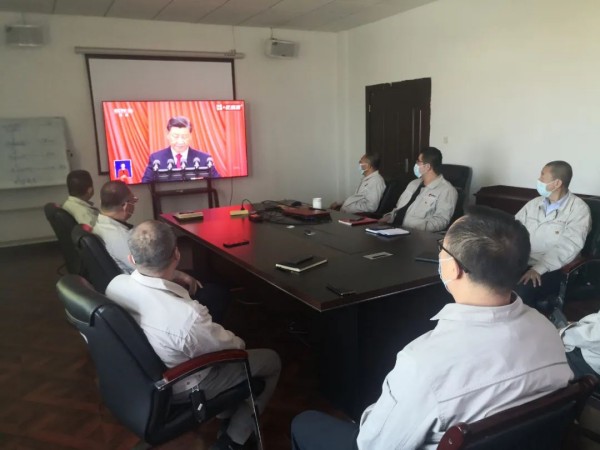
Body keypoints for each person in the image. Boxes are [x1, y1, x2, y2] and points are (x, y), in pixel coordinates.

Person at [291, 206, 573, 450]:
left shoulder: (423, 363)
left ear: (454, 268)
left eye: (442, 248)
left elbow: (374, 445)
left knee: (304, 423)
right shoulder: (547, 330)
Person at [106, 220, 281, 450]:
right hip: (183, 385)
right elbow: (233, 349)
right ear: (177, 255)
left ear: (131, 259)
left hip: (138, 380)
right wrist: (239, 344)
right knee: (270, 360)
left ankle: (226, 411)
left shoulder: (115, 286)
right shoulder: (186, 317)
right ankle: (235, 440)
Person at [93, 180, 230, 323]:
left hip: (132, 287)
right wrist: (182, 276)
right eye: (133, 200)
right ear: (126, 206)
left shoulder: (100, 226)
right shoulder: (121, 237)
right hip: (150, 293)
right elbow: (151, 269)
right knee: (218, 293)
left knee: (204, 277)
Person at [515, 161, 591, 309]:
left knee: (520, 293)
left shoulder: (579, 210)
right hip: (522, 261)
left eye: (542, 176)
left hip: (553, 269)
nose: (539, 180)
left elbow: (568, 246)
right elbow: (513, 229)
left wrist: (538, 268)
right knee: (489, 281)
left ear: (557, 183)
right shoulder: (534, 204)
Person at [380, 147, 457, 232]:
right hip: (393, 228)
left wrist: (413, 229)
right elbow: (399, 208)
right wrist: (389, 217)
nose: (416, 164)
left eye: (418, 162)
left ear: (427, 167)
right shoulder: (413, 183)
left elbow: (441, 221)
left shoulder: (447, 190)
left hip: (415, 235)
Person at [141, 116, 220, 182]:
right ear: (167, 135)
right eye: (175, 136)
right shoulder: (156, 159)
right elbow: (145, 185)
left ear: (190, 136)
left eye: (184, 136)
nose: (180, 141)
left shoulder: (204, 159)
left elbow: (217, 183)